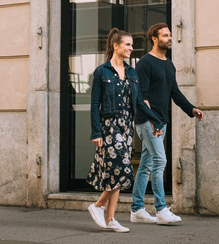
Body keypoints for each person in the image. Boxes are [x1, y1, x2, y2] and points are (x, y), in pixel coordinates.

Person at [86, 28, 163, 233]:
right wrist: (96, 132)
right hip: (109, 126)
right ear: (116, 45)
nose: (131, 48)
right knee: (123, 170)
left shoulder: (131, 72)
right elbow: (95, 105)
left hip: (126, 126)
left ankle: (110, 219)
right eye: (127, 44)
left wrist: (155, 120)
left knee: (117, 172)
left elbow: (139, 102)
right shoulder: (102, 72)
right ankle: (98, 206)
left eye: (131, 44)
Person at [130, 23, 204, 225]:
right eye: (165, 35)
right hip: (147, 121)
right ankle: (161, 209)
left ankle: (136, 209)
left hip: (160, 120)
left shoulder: (169, 64)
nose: (169, 37)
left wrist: (191, 109)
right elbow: (142, 95)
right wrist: (152, 120)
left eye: (170, 34)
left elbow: (175, 92)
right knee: (160, 161)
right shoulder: (145, 63)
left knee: (146, 164)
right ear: (154, 38)